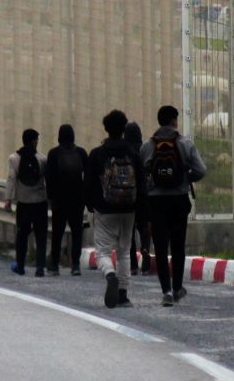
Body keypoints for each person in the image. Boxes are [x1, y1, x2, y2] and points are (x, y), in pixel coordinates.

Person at [142, 105, 206, 307]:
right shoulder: (185, 143)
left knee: (160, 247)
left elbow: (142, 172)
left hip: (156, 202)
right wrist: (186, 178)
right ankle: (178, 287)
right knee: (178, 245)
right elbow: (201, 170)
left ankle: (166, 291)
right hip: (179, 200)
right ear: (174, 120)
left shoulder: (148, 146)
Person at [85, 110, 145, 309]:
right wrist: (140, 208)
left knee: (103, 252)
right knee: (124, 252)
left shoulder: (97, 154)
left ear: (106, 129)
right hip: (129, 209)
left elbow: (89, 182)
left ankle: (110, 275)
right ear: (124, 129)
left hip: (105, 209)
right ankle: (123, 295)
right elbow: (142, 183)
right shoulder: (134, 154)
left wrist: (91, 204)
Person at [45, 124, 88, 276]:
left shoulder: (54, 153)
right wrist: (85, 197)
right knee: (77, 233)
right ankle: (75, 265)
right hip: (77, 200)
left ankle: (54, 265)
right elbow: (88, 177)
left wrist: (51, 199)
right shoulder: (81, 153)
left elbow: (49, 178)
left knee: (57, 233)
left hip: (59, 201)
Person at [4, 128, 48, 277]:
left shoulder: (13, 159)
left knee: (22, 235)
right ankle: (40, 268)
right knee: (41, 235)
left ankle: (20, 266)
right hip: (40, 203)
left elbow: (11, 179)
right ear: (34, 141)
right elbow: (47, 181)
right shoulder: (42, 159)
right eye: (36, 140)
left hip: (23, 203)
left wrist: (8, 199)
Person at [124, 121, 152, 275]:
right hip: (144, 194)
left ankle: (133, 265)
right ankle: (146, 250)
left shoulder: (124, 150)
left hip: (128, 195)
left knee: (129, 231)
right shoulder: (144, 149)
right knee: (144, 227)